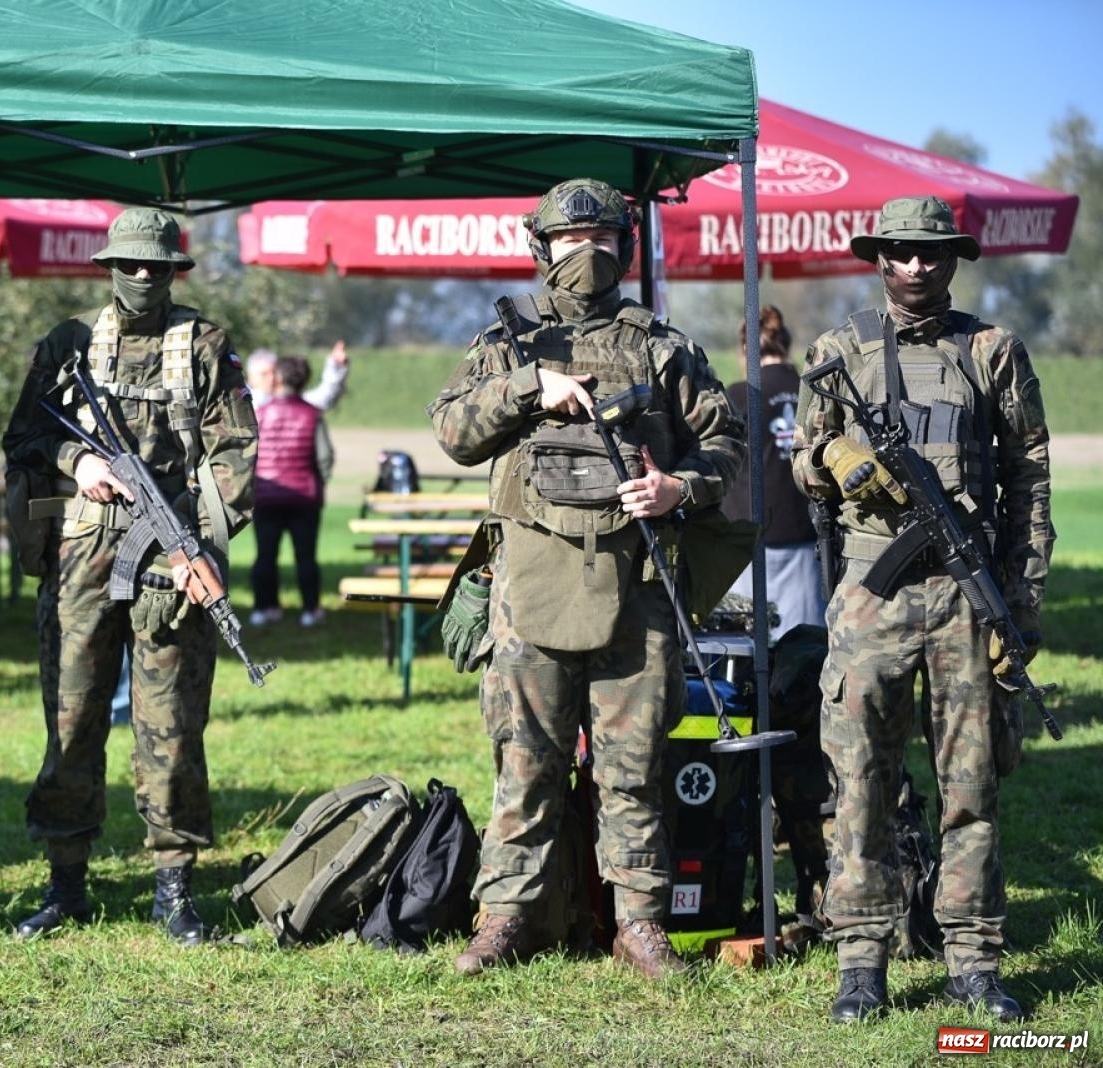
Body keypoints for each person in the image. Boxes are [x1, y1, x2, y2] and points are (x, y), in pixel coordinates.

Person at [428, 178, 744, 980]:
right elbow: (453, 432)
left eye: (603, 241)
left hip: (634, 588)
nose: (588, 255)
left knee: (632, 767)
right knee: (524, 760)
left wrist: (680, 488)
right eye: (572, 241)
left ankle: (639, 924)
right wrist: (530, 388)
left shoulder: (663, 348)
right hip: (529, 584)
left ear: (625, 249)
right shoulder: (506, 345)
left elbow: (726, 445)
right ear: (543, 249)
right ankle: (504, 917)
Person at [792, 195, 1052, 1023]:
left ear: (953, 259)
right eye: (901, 251)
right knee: (860, 782)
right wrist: (836, 453)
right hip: (872, 596)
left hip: (966, 601)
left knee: (971, 787)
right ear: (881, 257)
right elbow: (800, 460)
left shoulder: (992, 351)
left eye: (932, 253)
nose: (916, 266)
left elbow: (1029, 483)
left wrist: (1020, 605)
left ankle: (973, 961)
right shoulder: (839, 351)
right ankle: (862, 961)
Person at [2, 207, 257, 945]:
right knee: (71, 717)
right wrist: (77, 462)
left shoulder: (204, 344)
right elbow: (26, 432)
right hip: (80, 560)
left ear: (175, 270)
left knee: (170, 727)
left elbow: (235, 456)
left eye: (156, 266)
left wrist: (195, 547)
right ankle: (65, 884)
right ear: (110, 267)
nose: (143, 277)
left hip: (167, 567)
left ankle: (173, 888)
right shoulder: (68, 342)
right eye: (131, 265)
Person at [722, 306, 825, 639]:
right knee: (804, 648)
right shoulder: (815, 392)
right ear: (787, 343)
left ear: (744, 350)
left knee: (748, 649)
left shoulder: (738, 395)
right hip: (805, 535)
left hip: (747, 538)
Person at [249, 356, 335, 627]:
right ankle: (310, 611)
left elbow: (250, 454)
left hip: (265, 496)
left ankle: (265, 608)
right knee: (306, 556)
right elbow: (325, 457)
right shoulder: (313, 414)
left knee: (265, 555)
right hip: (304, 498)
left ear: (278, 379)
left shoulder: (260, 413)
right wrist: (319, 482)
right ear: (305, 380)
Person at [245, 339, 350, 411]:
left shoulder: (287, 400)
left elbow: (324, 398)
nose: (272, 378)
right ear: (250, 377)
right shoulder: (242, 405)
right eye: (264, 374)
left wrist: (335, 366)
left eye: (274, 372)